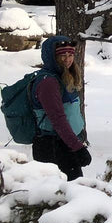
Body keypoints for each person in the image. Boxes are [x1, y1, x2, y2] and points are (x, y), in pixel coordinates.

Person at [31, 35, 92, 180]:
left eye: (70, 54)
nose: (67, 59)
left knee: (73, 194)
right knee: (67, 196)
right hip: (53, 147)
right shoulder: (48, 82)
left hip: (64, 144)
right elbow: (58, 119)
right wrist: (78, 147)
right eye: (62, 55)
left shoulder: (62, 77)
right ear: (52, 57)